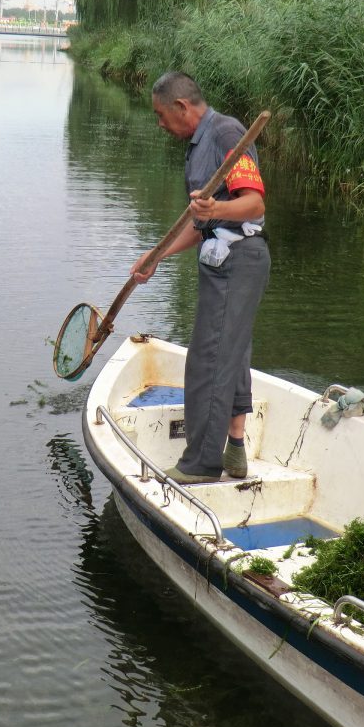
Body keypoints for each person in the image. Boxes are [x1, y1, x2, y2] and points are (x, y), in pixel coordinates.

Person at [131, 72, 270, 484]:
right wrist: (157, 256)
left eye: (161, 115)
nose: (160, 124)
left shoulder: (226, 134)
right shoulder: (198, 146)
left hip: (239, 261)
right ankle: (235, 450)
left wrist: (216, 211)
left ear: (181, 107)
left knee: (209, 360)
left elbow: (254, 204)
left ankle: (201, 465)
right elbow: (200, 224)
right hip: (219, 261)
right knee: (231, 352)